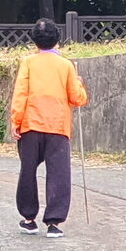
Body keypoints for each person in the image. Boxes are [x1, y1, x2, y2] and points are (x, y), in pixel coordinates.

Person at [10, 17, 88, 238]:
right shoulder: (66, 65)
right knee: (59, 173)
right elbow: (77, 98)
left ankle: (29, 218)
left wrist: (16, 122)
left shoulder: (28, 62)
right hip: (58, 126)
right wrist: (80, 83)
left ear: (34, 41)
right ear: (57, 40)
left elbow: (20, 94)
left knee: (28, 171)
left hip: (30, 123)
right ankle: (54, 223)